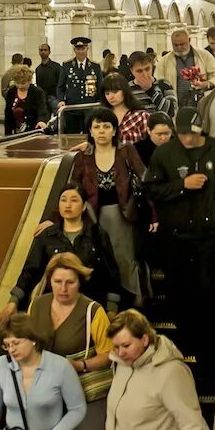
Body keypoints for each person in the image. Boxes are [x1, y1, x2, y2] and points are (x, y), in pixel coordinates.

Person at [142, 109, 215, 388]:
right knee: (180, 296)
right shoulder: (164, 154)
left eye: (191, 133)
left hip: (209, 237)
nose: (186, 138)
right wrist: (182, 185)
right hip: (176, 237)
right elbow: (152, 190)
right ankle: (181, 356)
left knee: (208, 293)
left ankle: (211, 359)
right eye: (181, 133)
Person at [27, 254, 116, 430]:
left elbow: (110, 354)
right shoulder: (38, 305)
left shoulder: (92, 311)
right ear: (49, 281)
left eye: (70, 282)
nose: (63, 288)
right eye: (57, 282)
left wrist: (81, 366)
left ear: (80, 282)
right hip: (46, 395)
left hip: (87, 397)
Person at [0, 186, 123, 322]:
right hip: (56, 306)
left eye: (74, 200)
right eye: (63, 200)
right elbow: (30, 272)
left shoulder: (97, 235)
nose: (68, 205)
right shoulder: (47, 236)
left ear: (83, 207)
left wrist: (112, 309)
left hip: (91, 306)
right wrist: (13, 302)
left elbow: (111, 273)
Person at [70, 108, 146, 302]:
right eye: (96, 127)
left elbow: (146, 179)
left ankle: (133, 303)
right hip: (93, 217)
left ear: (114, 130)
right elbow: (72, 190)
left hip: (123, 215)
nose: (102, 131)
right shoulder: (83, 157)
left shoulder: (126, 151)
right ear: (90, 130)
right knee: (99, 261)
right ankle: (107, 303)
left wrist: (153, 214)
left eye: (106, 126)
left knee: (125, 259)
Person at [157, 29, 215, 110]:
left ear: (189, 40)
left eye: (182, 44)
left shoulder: (204, 55)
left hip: (200, 103)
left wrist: (207, 84)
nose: (179, 47)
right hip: (176, 106)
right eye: (175, 45)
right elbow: (157, 82)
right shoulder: (164, 61)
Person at [57, 37, 105, 135]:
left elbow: (100, 87)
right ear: (74, 50)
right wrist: (61, 100)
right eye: (78, 49)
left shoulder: (95, 66)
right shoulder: (67, 65)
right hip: (72, 108)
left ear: (87, 49)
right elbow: (60, 86)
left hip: (90, 108)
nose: (81, 51)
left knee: (91, 135)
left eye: (83, 48)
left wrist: (100, 104)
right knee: (72, 136)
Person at [101, 74, 150, 146]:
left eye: (115, 92)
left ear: (125, 91)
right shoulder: (102, 118)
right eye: (107, 93)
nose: (111, 97)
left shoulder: (141, 116)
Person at [127, 51, 176, 116]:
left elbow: (171, 111)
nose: (145, 74)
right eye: (139, 71)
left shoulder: (164, 84)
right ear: (132, 71)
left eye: (147, 69)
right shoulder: (127, 89)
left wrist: (151, 90)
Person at [5, 66, 50, 135]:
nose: (20, 86)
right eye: (17, 83)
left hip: (33, 130)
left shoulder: (37, 92)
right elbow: (8, 114)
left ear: (29, 81)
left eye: (23, 83)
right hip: (15, 131)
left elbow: (42, 109)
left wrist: (41, 121)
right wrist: (7, 134)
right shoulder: (11, 92)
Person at [35, 44, 63, 113]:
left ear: (49, 52)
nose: (43, 52)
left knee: (57, 118)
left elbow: (61, 82)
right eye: (41, 50)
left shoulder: (56, 66)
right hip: (43, 99)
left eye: (45, 50)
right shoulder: (38, 69)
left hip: (54, 97)